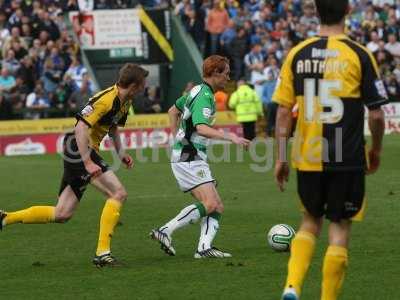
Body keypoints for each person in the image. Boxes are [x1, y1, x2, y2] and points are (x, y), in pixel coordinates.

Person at [272, 0, 388, 299]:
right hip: (347, 158)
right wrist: (375, 150)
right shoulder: (359, 54)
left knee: (310, 221)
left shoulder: (296, 54)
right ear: (348, 10)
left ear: (316, 11)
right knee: (339, 228)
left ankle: (293, 285)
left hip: (308, 157)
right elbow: (376, 114)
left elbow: (284, 113)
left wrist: (281, 158)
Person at [0, 63, 149, 267]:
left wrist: (121, 153)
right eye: (142, 85)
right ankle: (103, 253)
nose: (144, 88)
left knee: (62, 213)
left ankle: (6, 218)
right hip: (78, 149)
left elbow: (112, 127)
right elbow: (80, 128)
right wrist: (87, 161)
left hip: (82, 150)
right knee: (118, 193)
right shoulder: (106, 99)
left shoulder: (123, 102)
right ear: (133, 85)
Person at [150, 55, 250, 258]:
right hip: (189, 157)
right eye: (226, 74)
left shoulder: (195, 90)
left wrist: (175, 137)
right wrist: (230, 136)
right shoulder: (204, 95)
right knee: (211, 203)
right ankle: (165, 231)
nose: (228, 78)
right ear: (215, 73)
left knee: (216, 205)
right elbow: (202, 128)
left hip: (188, 155)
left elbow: (172, 111)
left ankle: (204, 248)